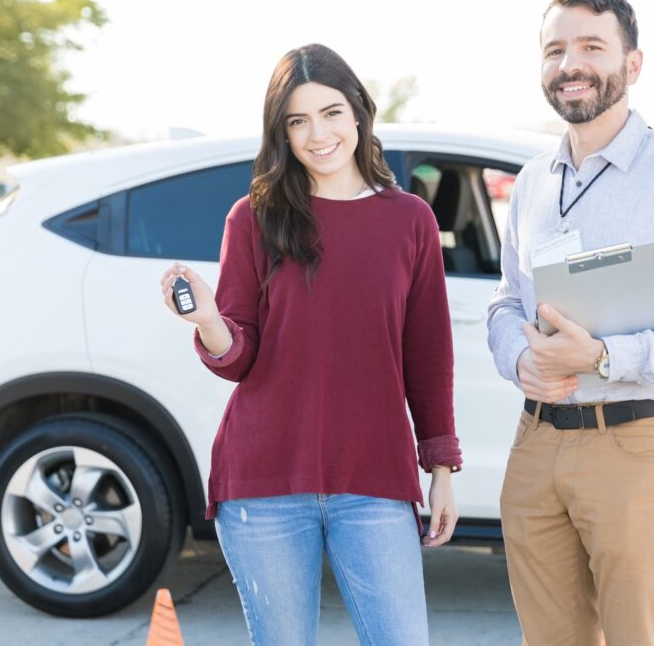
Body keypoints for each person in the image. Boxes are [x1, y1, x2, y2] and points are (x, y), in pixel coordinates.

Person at [159, 43, 462, 646]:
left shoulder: (410, 221)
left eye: (329, 113)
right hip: (264, 484)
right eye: (297, 121)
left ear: (357, 113)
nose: (317, 134)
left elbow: (428, 354)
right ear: (282, 134)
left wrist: (442, 468)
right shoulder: (253, 218)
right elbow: (237, 355)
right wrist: (208, 319)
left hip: (375, 481)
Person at [487, 0, 654, 646]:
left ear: (631, 65)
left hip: (632, 445)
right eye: (555, 50)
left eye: (591, 47)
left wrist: (604, 357)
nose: (569, 65)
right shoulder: (532, 182)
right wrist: (519, 358)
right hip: (536, 441)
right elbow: (505, 304)